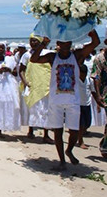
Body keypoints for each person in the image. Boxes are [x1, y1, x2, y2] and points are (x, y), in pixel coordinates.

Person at [31, 30, 100, 170]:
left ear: (70, 43)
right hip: (55, 100)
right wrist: (44, 43)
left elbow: (96, 43)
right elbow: (34, 59)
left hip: (73, 100)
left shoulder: (77, 55)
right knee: (58, 131)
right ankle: (62, 160)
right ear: (58, 43)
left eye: (68, 42)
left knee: (74, 130)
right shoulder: (52, 57)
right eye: (62, 42)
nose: (65, 45)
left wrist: (89, 29)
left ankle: (69, 150)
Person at [19, 34, 53, 144]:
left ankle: (46, 134)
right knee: (32, 108)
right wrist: (25, 82)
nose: (33, 43)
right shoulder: (26, 55)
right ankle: (30, 131)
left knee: (45, 110)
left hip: (45, 86)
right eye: (31, 41)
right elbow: (21, 70)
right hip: (32, 85)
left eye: (35, 41)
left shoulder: (47, 53)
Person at [92, 23, 107, 159]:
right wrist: (98, 96)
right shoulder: (100, 58)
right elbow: (96, 77)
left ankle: (105, 142)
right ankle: (105, 144)